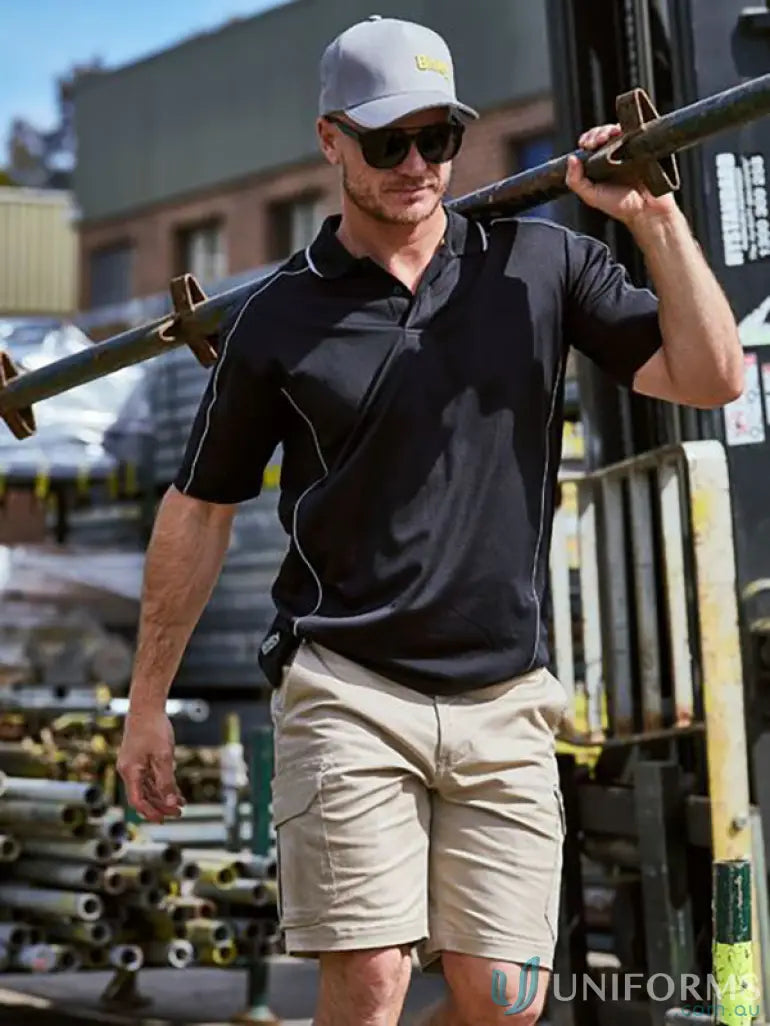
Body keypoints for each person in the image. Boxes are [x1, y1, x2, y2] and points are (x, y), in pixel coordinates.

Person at [117, 14, 743, 1026]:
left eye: (438, 138)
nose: (417, 164)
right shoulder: (277, 316)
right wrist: (147, 699)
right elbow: (198, 510)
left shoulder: (538, 268)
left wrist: (651, 219)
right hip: (346, 688)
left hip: (505, 699)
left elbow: (710, 377)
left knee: (503, 1002)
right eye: (386, 142)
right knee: (369, 981)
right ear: (330, 142)